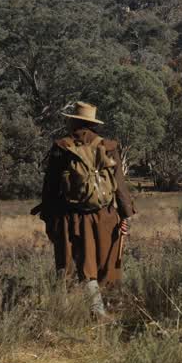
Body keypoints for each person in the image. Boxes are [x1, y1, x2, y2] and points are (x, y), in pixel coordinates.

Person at [31, 101, 135, 316]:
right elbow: (120, 186)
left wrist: (50, 219)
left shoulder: (62, 147)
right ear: (92, 123)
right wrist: (125, 215)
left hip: (72, 218)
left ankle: (87, 314)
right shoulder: (108, 147)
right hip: (105, 217)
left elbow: (50, 187)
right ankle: (111, 312)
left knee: (79, 267)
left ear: (74, 122)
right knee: (106, 266)